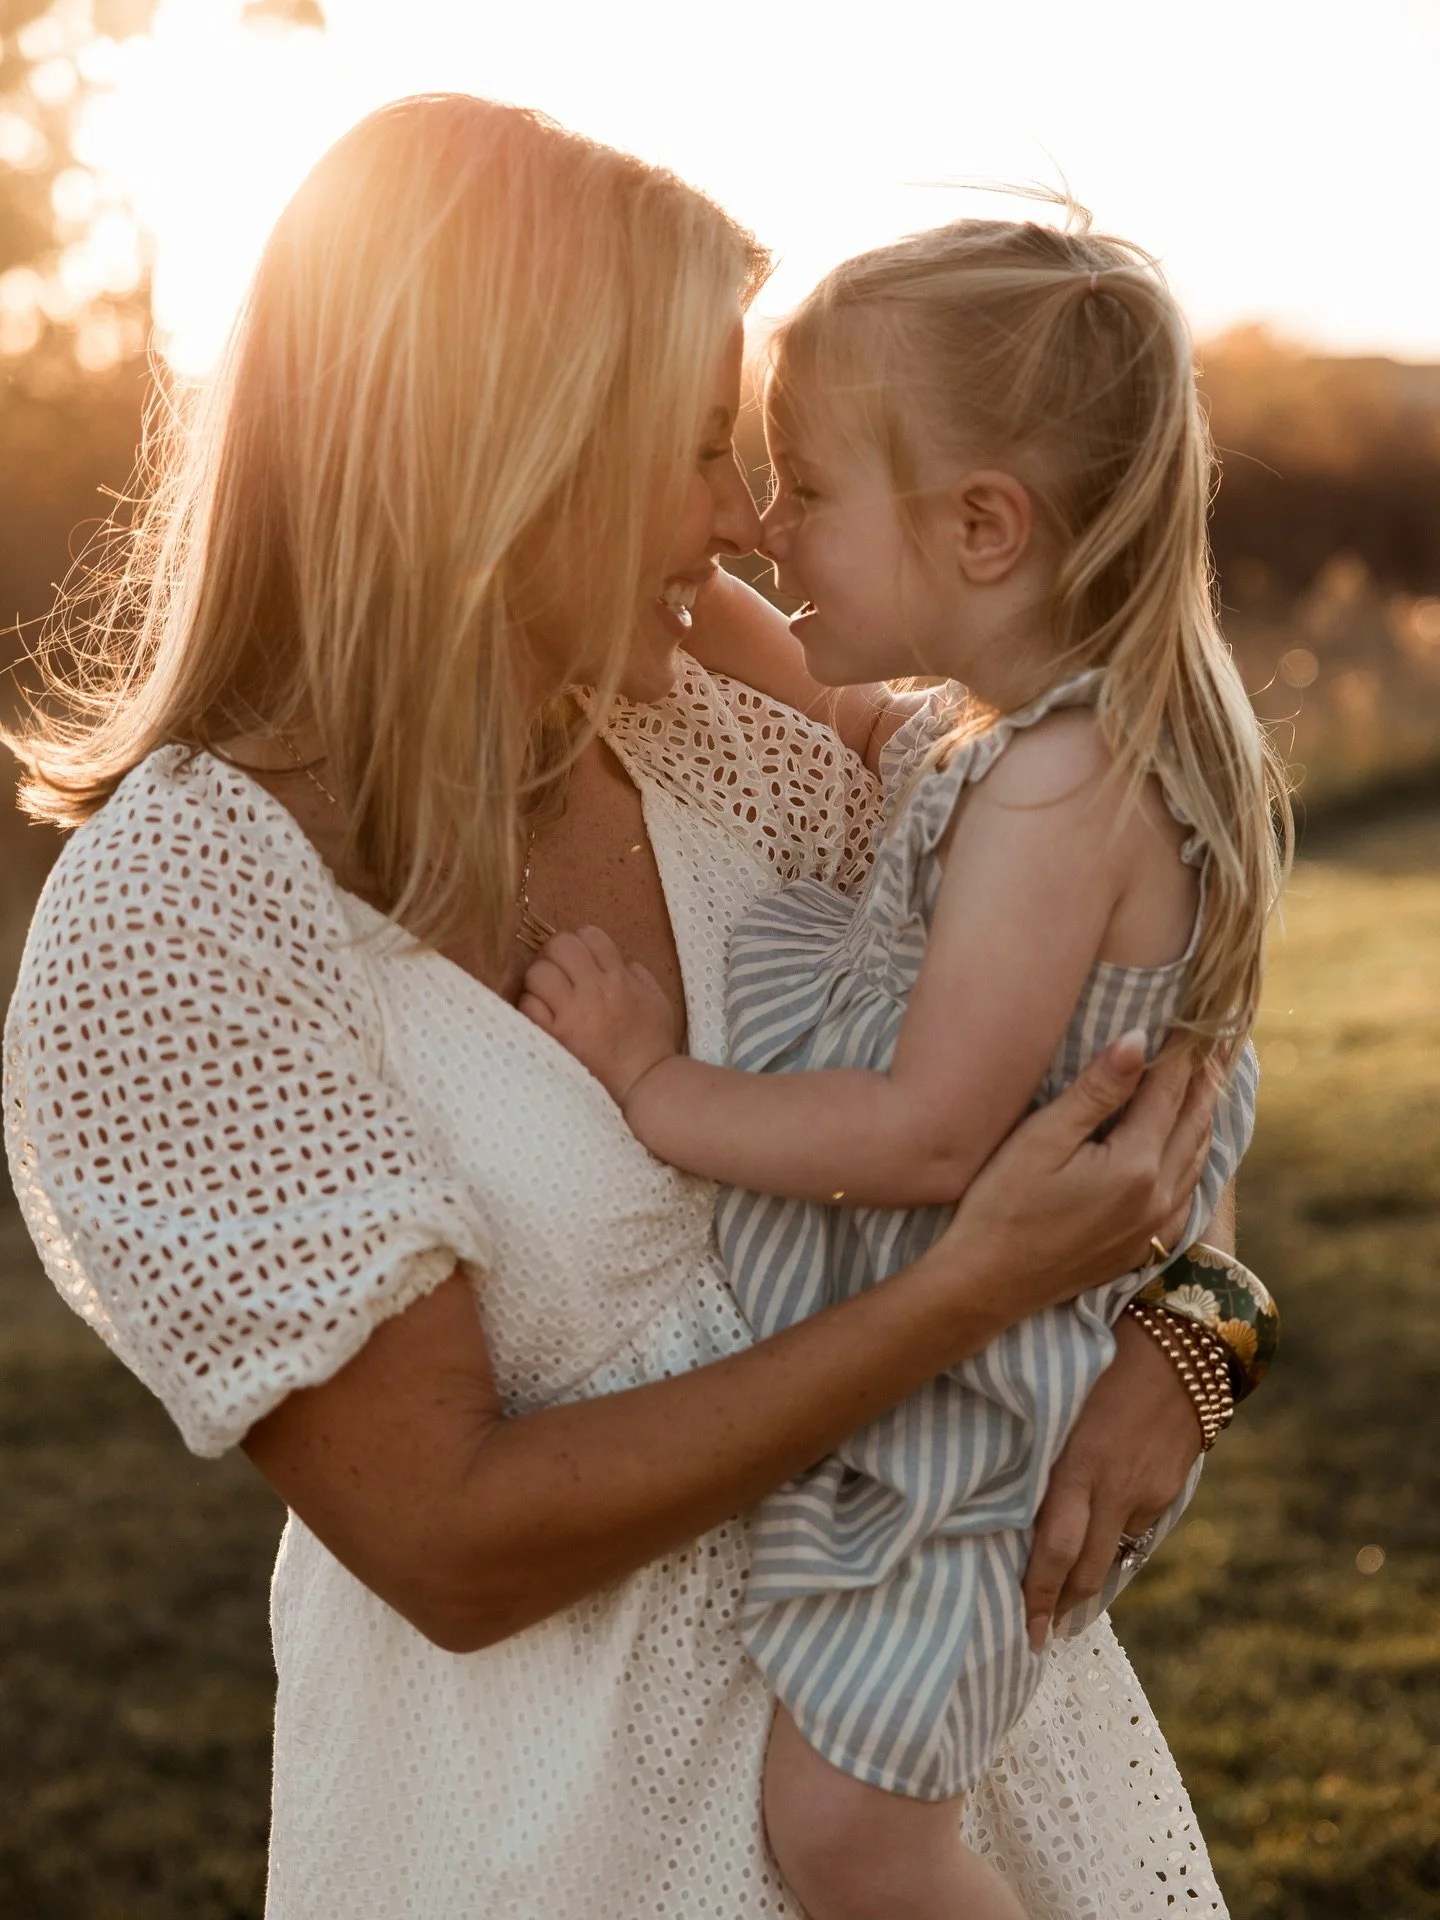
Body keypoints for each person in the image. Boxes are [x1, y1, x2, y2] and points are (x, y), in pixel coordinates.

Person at [3, 96, 1257, 1917]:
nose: (747, 517)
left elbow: (1137, 971)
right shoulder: (177, 927)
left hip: (934, 1756)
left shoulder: (725, 738)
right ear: (497, 456)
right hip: (550, 1831)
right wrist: (964, 1295)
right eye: (694, 452)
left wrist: (1201, 1327)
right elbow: (450, 1541)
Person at [521, 214, 1289, 1920]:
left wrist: (658, 1089)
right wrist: (653, 576)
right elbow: (844, 700)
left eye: (801, 491)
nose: (762, 525)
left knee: (853, 1835)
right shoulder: (1010, 739)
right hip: (947, 1397)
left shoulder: (1059, 791)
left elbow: (937, 1133)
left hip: (976, 1435)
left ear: (984, 527)